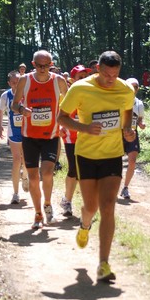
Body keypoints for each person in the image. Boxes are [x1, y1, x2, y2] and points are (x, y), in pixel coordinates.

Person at [57, 51, 135, 282]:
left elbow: (128, 112)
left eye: (115, 74)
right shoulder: (80, 88)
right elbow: (61, 117)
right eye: (107, 74)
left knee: (109, 205)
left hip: (112, 154)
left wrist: (127, 129)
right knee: (90, 207)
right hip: (86, 155)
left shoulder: (125, 89)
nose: (111, 79)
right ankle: (84, 224)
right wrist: (84, 128)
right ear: (97, 69)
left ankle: (104, 264)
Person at [12, 49, 67, 229]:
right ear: (33, 64)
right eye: (39, 66)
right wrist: (22, 110)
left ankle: (48, 204)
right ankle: (37, 213)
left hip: (51, 136)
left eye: (47, 66)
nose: (43, 69)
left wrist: (68, 121)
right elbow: (14, 105)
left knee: (48, 173)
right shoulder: (24, 80)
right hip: (29, 137)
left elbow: (69, 102)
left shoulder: (58, 81)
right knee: (34, 177)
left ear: (51, 65)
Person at [60, 65, 92, 217]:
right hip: (71, 138)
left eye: (86, 76)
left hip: (88, 138)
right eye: (80, 77)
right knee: (74, 169)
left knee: (85, 172)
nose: (84, 79)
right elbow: (59, 114)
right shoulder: (67, 96)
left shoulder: (92, 95)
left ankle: (89, 204)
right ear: (72, 80)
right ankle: (67, 200)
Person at [0, 70, 29, 204]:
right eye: (14, 83)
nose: (16, 85)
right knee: (17, 160)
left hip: (27, 131)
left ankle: (25, 176)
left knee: (26, 161)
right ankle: (15, 193)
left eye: (19, 82)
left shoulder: (27, 93)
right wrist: (0, 126)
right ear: (9, 83)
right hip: (13, 132)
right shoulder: (6, 96)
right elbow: (0, 111)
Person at [120, 77, 146, 200]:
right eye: (130, 86)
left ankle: (125, 187)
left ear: (137, 89)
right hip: (118, 134)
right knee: (115, 162)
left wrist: (141, 124)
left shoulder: (139, 103)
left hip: (133, 134)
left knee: (132, 161)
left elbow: (140, 119)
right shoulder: (118, 100)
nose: (133, 89)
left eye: (135, 87)